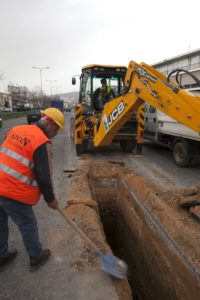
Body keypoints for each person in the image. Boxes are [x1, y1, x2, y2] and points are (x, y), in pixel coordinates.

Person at [0, 107, 65, 271]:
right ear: (49, 123)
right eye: (56, 129)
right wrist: (50, 199)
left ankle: (1, 255)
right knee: (28, 223)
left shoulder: (17, 129)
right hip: (13, 191)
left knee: (0, 223)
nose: (56, 134)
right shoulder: (40, 141)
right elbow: (43, 176)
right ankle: (36, 255)